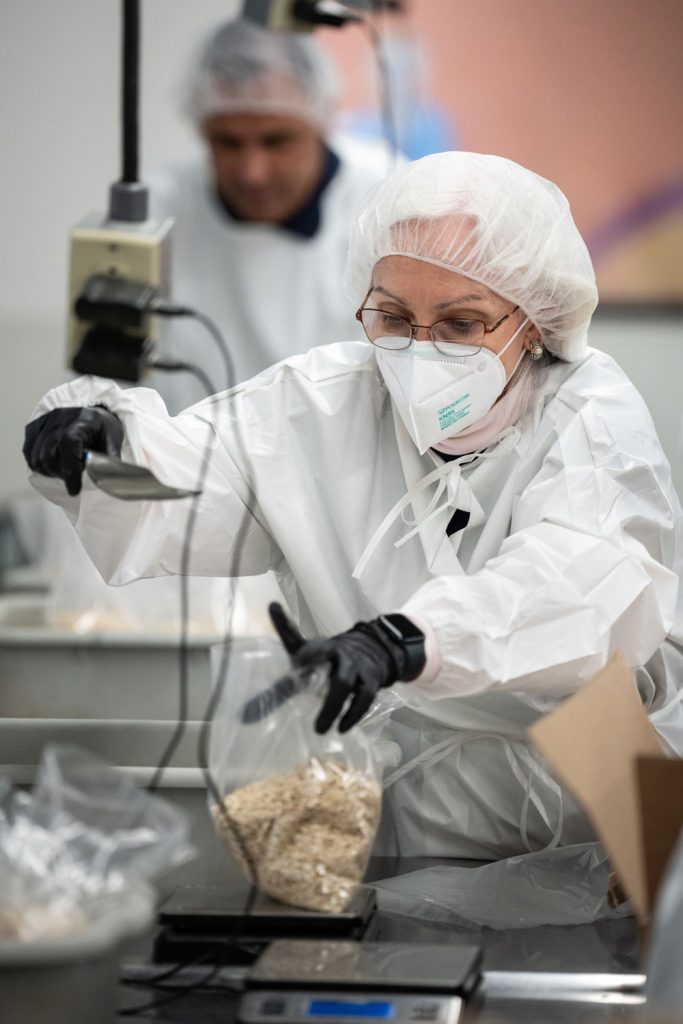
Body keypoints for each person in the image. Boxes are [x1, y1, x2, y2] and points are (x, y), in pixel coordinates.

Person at [23, 151, 683, 860]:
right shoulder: (322, 400)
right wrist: (99, 447)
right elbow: (188, 486)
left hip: (572, 802)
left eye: (461, 324)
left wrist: (406, 641)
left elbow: (577, 591)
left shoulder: (587, 415)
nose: (417, 351)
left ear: (534, 323)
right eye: (393, 316)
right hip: (378, 802)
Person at [148, 17, 395, 413]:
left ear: (321, 122)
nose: (252, 171)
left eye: (276, 141)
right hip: (195, 466)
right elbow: (108, 367)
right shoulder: (158, 208)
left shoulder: (389, 199)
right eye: (228, 142)